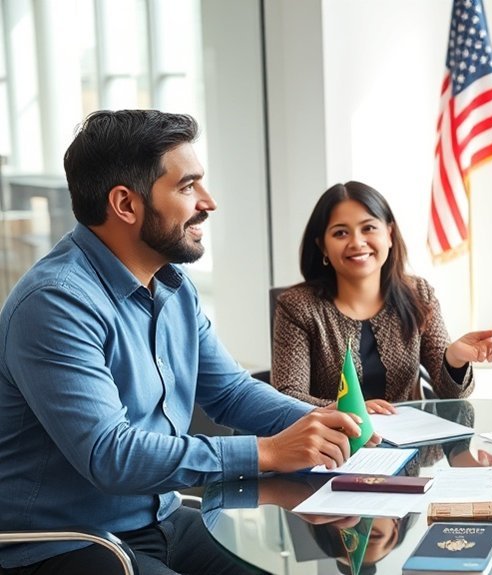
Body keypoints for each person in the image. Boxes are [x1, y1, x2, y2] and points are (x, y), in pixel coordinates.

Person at [0, 110, 378, 575]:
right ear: (126, 204)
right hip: (66, 542)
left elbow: (230, 393)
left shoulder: (172, 286)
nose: (209, 201)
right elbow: (109, 454)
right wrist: (267, 452)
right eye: (187, 186)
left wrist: (329, 426)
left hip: (156, 517)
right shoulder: (56, 303)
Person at [271, 182, 492, 412]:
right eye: (341, 233)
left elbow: (452, 395)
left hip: (410, 445)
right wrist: (351, 411)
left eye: (368, 228)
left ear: (390, 234)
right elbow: (287, 396)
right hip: (331, 446)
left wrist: (454, 358)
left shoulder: (418, 293)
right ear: (322, 245)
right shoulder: (298, 306)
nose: (357, 242)